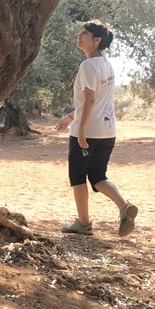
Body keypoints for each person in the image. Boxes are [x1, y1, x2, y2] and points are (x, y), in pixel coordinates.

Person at [54, 20, 138, 237]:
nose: (79, 35)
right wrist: (70, 117)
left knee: (78, 177)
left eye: (85, 32)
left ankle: (83, 223)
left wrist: (80, 130)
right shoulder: (106, 65)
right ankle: (124, 206)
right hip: (108, 132)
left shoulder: (88, 66)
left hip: (88, 132)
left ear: (97, 40)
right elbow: (92, 101)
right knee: (98, 175)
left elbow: (90, 100)